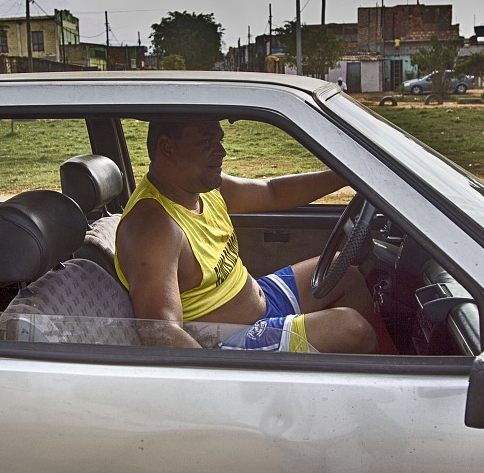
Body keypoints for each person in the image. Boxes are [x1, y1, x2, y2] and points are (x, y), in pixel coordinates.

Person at [114, 119, 377, 354]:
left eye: (220, 140)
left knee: (344, 272)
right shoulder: (153, 228)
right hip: (228, 342)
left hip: (262, 299)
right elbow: (161, 333)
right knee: (352, 328)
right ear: (167, 147)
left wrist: (345, 176)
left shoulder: (202, 189)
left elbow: (272, 192)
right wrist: (223, 385)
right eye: (207, 143)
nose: (222, 152)